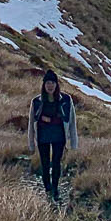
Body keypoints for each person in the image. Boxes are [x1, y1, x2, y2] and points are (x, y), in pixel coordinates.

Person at [27, 69, 77, 201]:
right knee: (44, 163)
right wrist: (31, 144)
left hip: (59, 136)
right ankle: (47, 188)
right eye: (48, 83)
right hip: (43, 136)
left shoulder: (66, 100)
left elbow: (71, 121)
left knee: (56, 162)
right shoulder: (36, 101)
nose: (50, 86)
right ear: (44, 85)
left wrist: (73, 142)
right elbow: (32, 123)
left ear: (56, 85)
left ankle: (55, 188)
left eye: (53, 83)